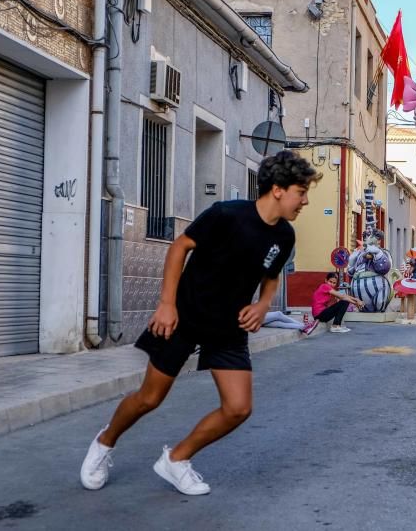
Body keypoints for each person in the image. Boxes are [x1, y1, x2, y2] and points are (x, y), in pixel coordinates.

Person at [80, 151, 320, 495]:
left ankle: (176, 459)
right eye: (301, 191)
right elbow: (181, 246)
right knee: (149, 398)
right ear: (278, 189)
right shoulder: (226, 214)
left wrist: (263, 305)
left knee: (238, 408)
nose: (306, 200)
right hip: (185, 316)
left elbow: (271, 275)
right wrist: (166, 304)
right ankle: (104, 443)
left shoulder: (284, 236)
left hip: (228, 328)